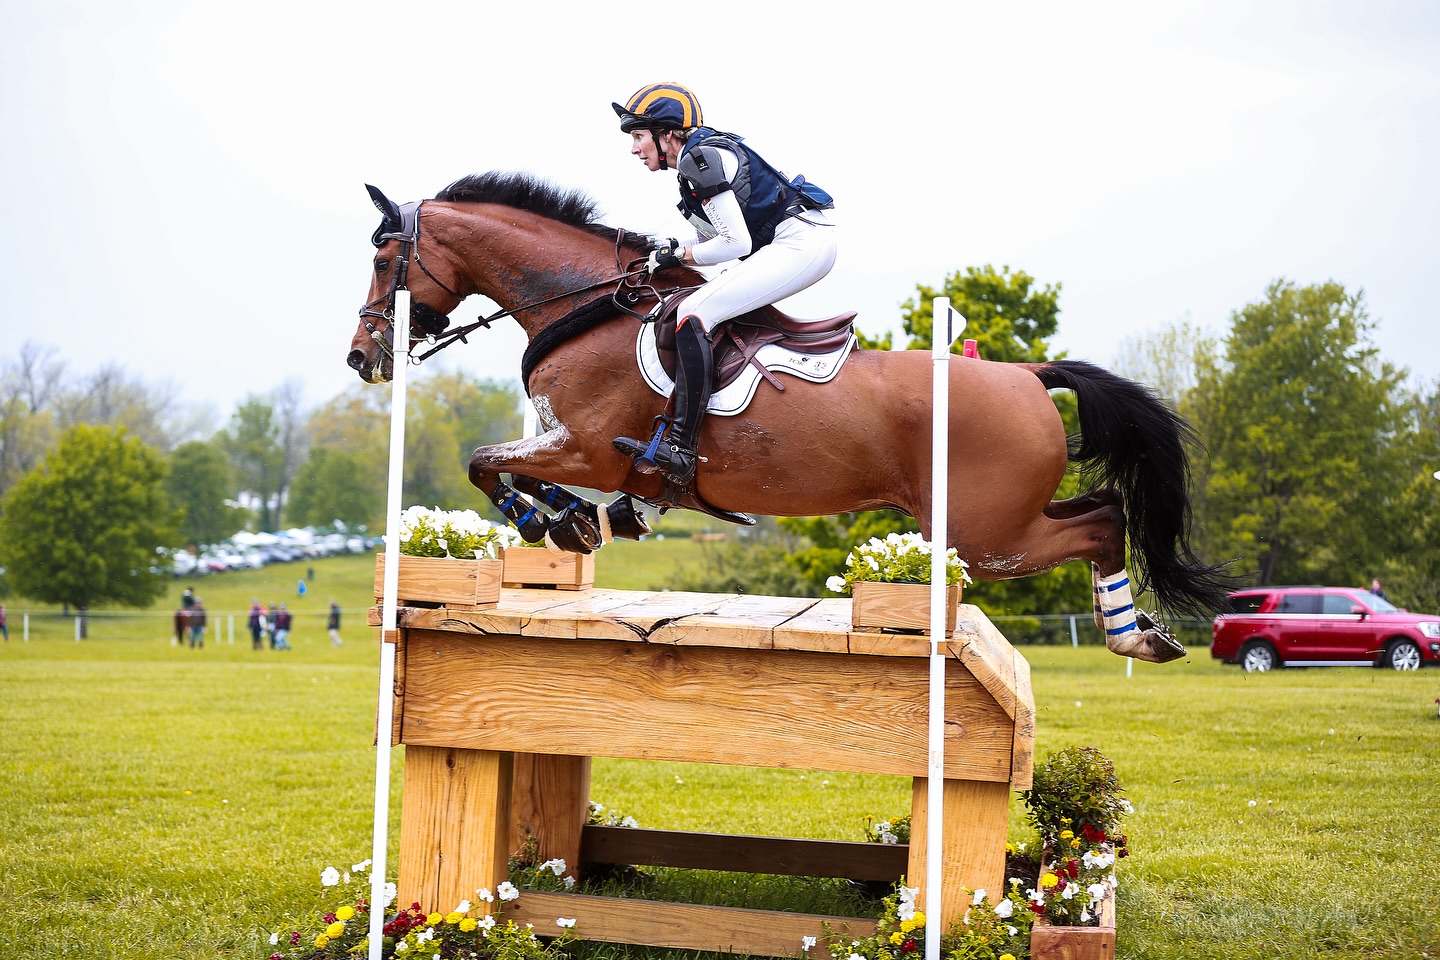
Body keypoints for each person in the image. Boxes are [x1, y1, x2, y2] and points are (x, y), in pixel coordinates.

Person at [609, 82, 837, 485]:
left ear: (666, 134)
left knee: (693, 313)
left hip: (799, 243)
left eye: (639, 136)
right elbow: (715, 235)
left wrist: (676, 256)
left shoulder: (697, 159)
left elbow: (734, 243)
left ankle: (680, 446)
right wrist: (666, 247)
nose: (633, 148)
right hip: (797, 240)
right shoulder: (700, 155)